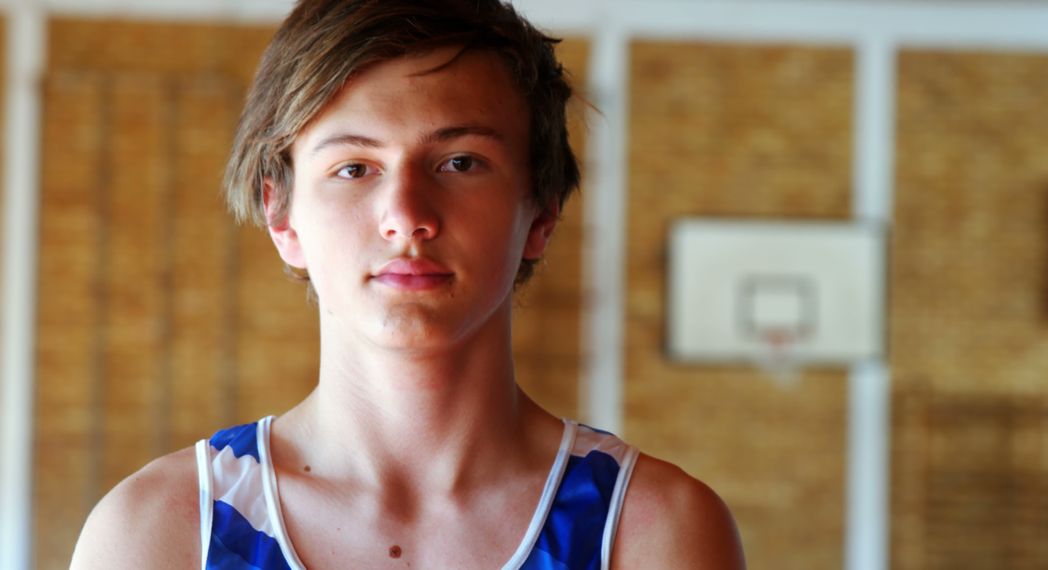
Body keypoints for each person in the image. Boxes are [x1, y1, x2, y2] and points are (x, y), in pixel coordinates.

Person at [70, 1, 745, 568]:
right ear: (282, 217)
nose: (407, 217)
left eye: (459, 161)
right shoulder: (159, 533)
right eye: (355, 168)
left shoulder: (653, 531)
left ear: (540, 214)